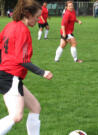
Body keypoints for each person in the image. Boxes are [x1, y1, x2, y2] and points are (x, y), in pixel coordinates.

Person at [0, 0, 53, 134]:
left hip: (5, 74)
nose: (38, 20)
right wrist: (42, 72)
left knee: (35, 107)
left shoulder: (10, 26)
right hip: (9, 75)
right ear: (28, 14)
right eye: (36, 17)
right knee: (16, 116)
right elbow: (21, 59)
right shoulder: (23, 30)